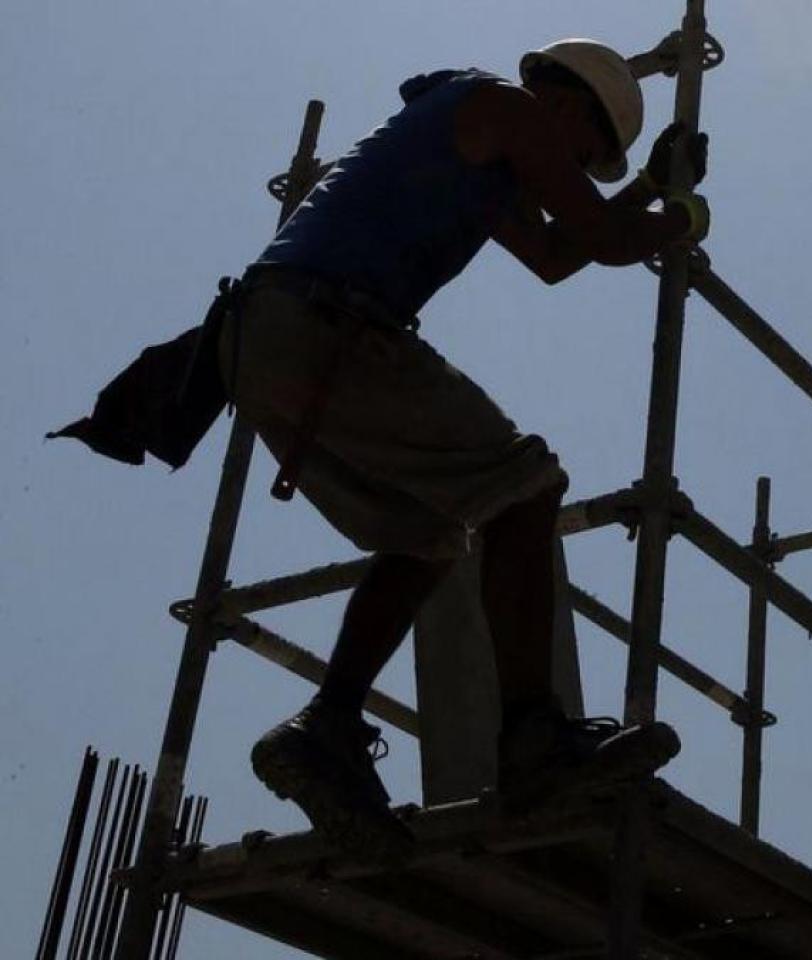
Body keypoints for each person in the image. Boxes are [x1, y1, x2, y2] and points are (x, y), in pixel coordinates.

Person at [228, 38, 710, 864]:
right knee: (526, 487)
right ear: (569, 108)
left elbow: (558, 255)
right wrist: (680, 213)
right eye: (589, 153)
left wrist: (640, 189)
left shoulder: (477, 144)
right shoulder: (506, 111)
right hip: (327, 323)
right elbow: (598, 234)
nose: (579, 167)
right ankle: (534, 740)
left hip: (262, 339)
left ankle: (327, 727)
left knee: (427, 532)